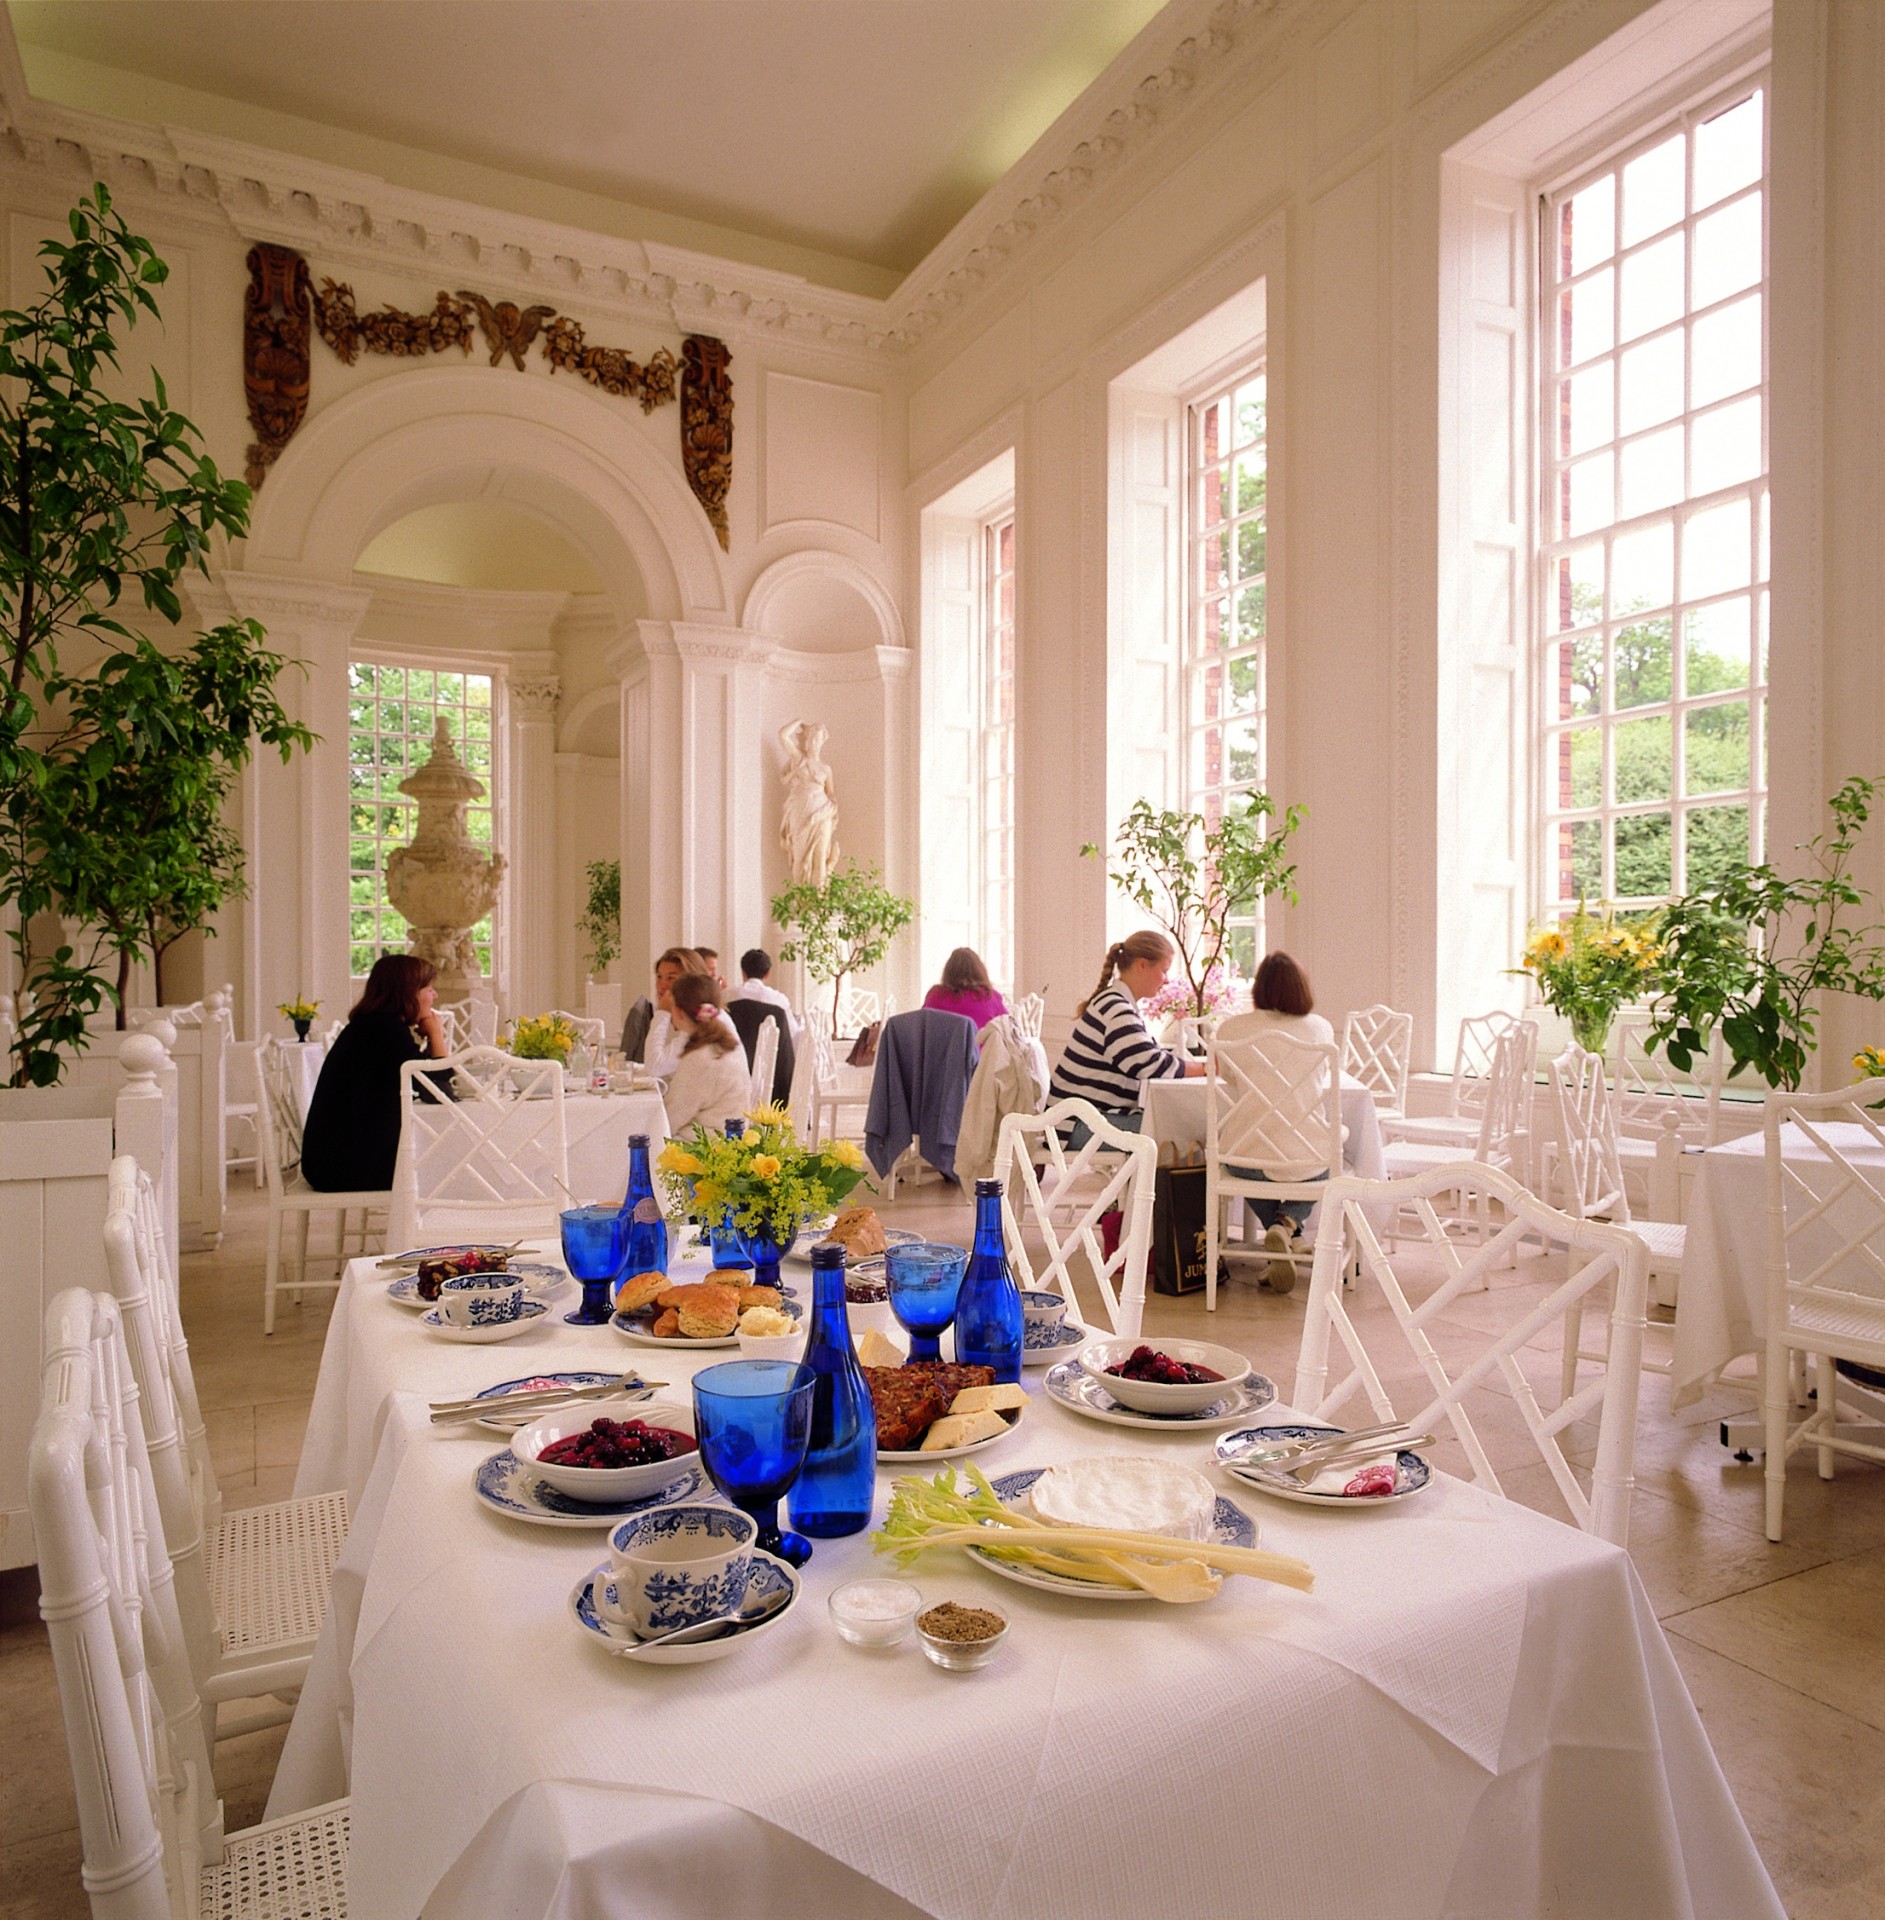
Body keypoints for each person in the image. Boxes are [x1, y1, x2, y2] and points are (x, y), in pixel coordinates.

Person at [1215, 951, 1336, 1293]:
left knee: (1254, 1165)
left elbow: (1230, 1079)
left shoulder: (1232, 1029)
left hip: (1245, 1158)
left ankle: (1282, 1236)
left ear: (1260, 988)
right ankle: (1288, 1229)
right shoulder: (1321, 1028)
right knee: (1329, 1155)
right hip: (1304, 1157)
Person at [301, 953, 447, 1192]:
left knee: (440, 1157)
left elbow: (429, 1081)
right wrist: (436, 1034)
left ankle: (423, 1228)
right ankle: (427, 1229)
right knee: (448, 1163)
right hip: (343, 1167)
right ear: (408, 992)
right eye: (429, 988)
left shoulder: (375, 1026)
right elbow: (439, 1089)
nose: (435, 995)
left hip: (332, 1160)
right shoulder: (385, 1031)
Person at [1049, 930, 1203, 1143]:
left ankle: (1149, 1177)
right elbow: (1149, 1064)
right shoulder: (1116, 1008)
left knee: (1171, 1126)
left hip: (1075, 1120)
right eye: (1164, 971)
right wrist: (1207, 1068)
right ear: (1142, 965)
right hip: (1074, 1126)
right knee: (1178, 1129)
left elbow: (1144, 1054)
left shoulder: (1116, 1002)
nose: (1166, 980)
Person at [661, 972, 756, 1137]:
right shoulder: (727, 1044)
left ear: (678, 1011)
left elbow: (670, 1119)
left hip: (708, 1146)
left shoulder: (700, 1057)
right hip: (733, 1136)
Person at [643, 946, 737, 1080]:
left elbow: (654, 1067)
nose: (661, 985)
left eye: (671, 978)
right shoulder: (688, 1011)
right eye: (659, 976)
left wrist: (662, 1014)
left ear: (691, 981)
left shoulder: (702, 1018)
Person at [923, 947, 1008, 1031]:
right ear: (980, 971)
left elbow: (922, 1027)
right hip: (979, 1045)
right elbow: (1008, 1030)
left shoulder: (934, 996)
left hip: (941, 1045)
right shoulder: (991, 998)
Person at [730, 946, 802, 1039]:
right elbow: (792, 1035)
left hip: (733, 1049)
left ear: (743, 972)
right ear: (768, 973)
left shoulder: (726, 996)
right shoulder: (779, 999)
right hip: (770, 1051)